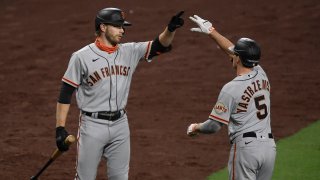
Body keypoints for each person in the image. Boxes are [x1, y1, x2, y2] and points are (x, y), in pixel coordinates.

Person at [55, 7, 184, 180]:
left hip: (120, 125)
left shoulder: (129, 51)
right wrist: (60, 128)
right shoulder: (81, 57)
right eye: (117, 26)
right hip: (92, 126)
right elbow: (66, 92)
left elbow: (159, 45)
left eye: (123, 27)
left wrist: (170, 30)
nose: (122, 30)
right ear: (103, 27)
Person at [187, 15, 276, 180]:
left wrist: (196, 127)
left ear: (237, 59)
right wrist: (212, 32)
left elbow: (214, 126)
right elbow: (233, 49)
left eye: (234, 54)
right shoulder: (261, 74)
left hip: (247, 151)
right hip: (269, 150)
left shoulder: (231, 89)